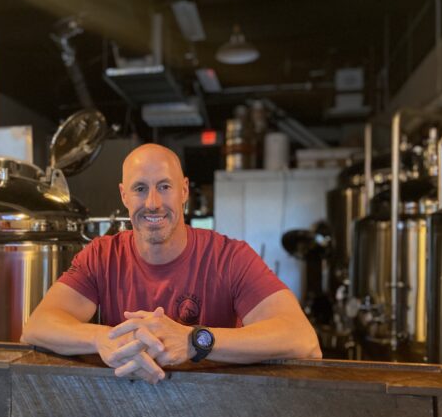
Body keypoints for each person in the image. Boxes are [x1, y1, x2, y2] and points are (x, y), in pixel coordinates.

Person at [22, 143, 321, 384]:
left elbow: (303, 339)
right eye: (140, 189)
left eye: (164, 186)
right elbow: (38, 327)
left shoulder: (229, 257)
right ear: (124, 195)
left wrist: (194, 340)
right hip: (128, 416)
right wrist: (105, 338)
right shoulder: (102, 255)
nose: (153, 202)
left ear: (184, 191)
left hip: (220, 413)